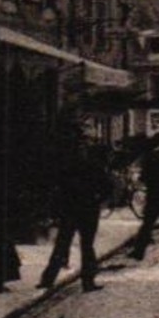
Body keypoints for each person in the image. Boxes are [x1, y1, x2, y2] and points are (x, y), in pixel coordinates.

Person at [38, 125, 108, 292]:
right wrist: (98, 198)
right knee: (80, 245)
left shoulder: (73, 163)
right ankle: (86, 281)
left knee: (68, 244)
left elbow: (106, 186)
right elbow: (106, 186)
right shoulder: (84, 163)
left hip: (77, 208)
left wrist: (97, 198)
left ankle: (50, 280)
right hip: (81, 208)